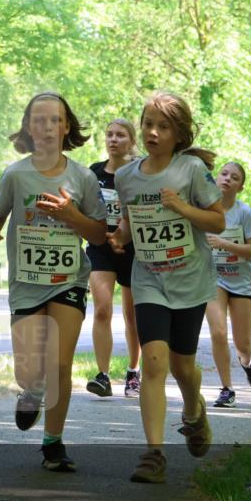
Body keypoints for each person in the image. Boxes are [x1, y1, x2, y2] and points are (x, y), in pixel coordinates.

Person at [0, 92, 107, 471]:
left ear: (66, 127)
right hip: (26, 281)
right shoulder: (15, 175)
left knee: (60, 364)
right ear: (28, 128)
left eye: (55, 120)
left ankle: (53, 443)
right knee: (29, 372)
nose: (47, 126)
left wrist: (71, 215)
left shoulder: (83, 177)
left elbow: (98, 235)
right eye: (39, 120)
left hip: (68, 280)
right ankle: (32, 390)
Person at [107, 91, 224, 484]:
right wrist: (120, 237)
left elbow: (217, 221)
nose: (153, 132)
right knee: (154, 362)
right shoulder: (126, 176)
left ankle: (193, 412)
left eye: (163, 127)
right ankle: (154, 453)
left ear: (178, 134)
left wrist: (182, 208)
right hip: (149, 280)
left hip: (190, 280)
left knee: (182, 367)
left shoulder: (191, 169)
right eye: (148, 124)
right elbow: (130, 221)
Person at [85, 119, 142, 398]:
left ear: (131, 141)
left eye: (120, 135)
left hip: (133, 249)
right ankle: (103, 376)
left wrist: (125, 234)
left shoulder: (140, 173)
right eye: (109, 134)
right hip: (100, 247)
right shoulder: (93, 173)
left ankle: (133, 371)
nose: (113, 139)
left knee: (132, 317)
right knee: (102, 309)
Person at [205, 162, 251, 409]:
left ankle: (247, 362)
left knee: (243, 344)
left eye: (235, 177)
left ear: (240, 187)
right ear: (216, 178)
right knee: (218, 333)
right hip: (213, 278)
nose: (228, 179)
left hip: (241, 281)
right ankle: (227, 389)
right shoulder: (204, 210)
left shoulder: (244, 213)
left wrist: (224, 244)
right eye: (224, 174)